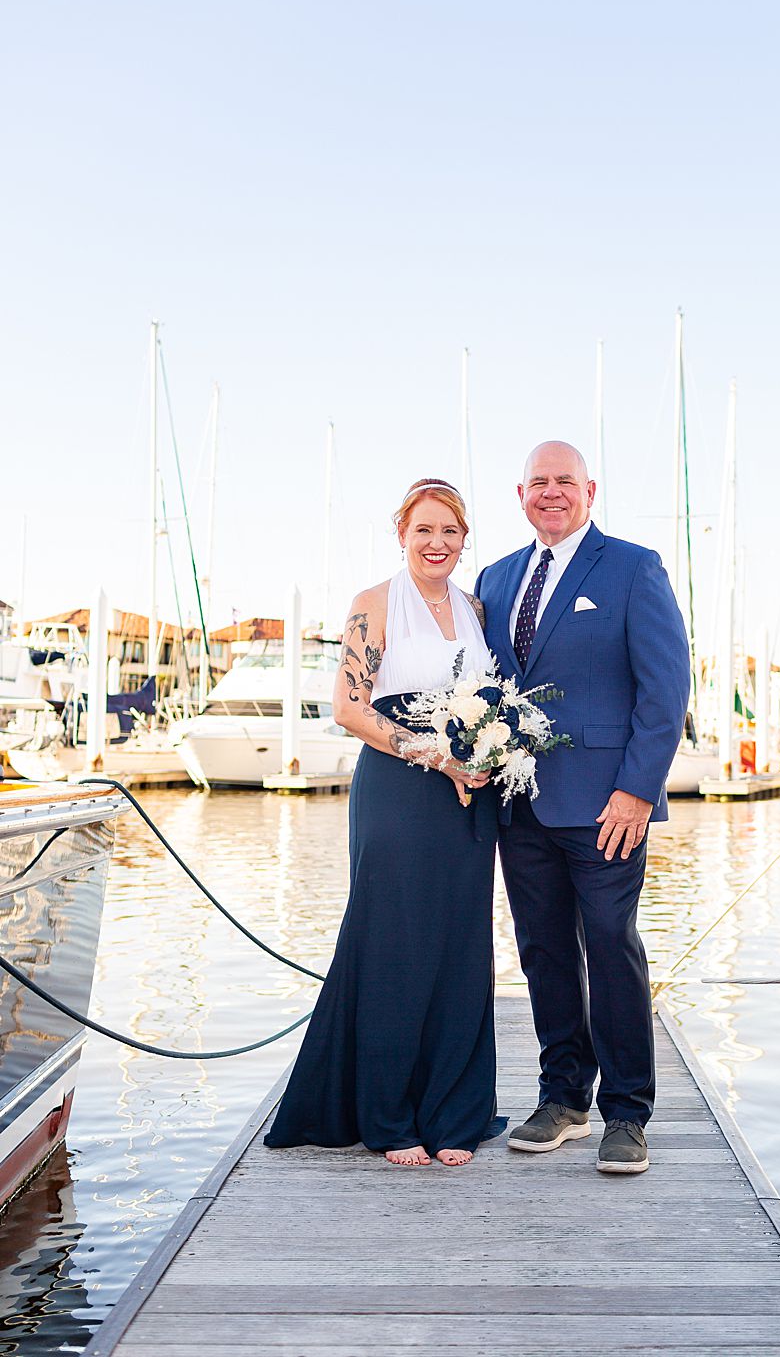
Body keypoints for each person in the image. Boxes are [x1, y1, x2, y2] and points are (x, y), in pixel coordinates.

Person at [266, 478, 505, 1168]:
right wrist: (434, 755)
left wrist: (488, 753)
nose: (437, 543)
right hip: (400, 790)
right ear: (401, 532)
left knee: (462, 945)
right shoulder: (373, 606)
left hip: (469, 797)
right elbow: (347, 707)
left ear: (464, 540)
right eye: (424, 530)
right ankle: (390, 1115)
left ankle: (456, 1110)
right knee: (396, 944)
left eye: (451, 532)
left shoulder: (478, 610)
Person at [475, 440, 690, 1174]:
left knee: (611, 946)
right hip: (519, 805)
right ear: (521, 493)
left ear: (590, 490)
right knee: (542, 953)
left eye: (565, 481)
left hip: (607, 805)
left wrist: (637, 789)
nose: (552, 492)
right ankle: (564, 1096)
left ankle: (628, 1113)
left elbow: (665, 688)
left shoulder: (633, 567)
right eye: (539, 482)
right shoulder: (497, 578)